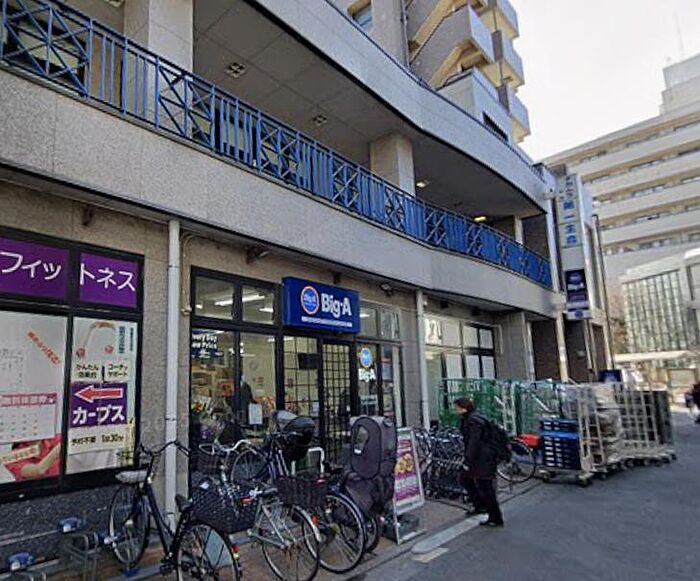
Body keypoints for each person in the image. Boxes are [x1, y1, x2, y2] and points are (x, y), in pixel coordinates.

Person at [455, 397, 503, 527]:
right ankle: (480, 506)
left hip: (482, 459)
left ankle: (495, 516)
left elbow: (473, 442)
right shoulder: (473, 418)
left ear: (463, 408)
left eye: (457, 407)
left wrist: (467, 460)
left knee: (485, 486)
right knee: (466, 478)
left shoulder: (473, 421)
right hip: (481, 458)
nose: (456, 410)